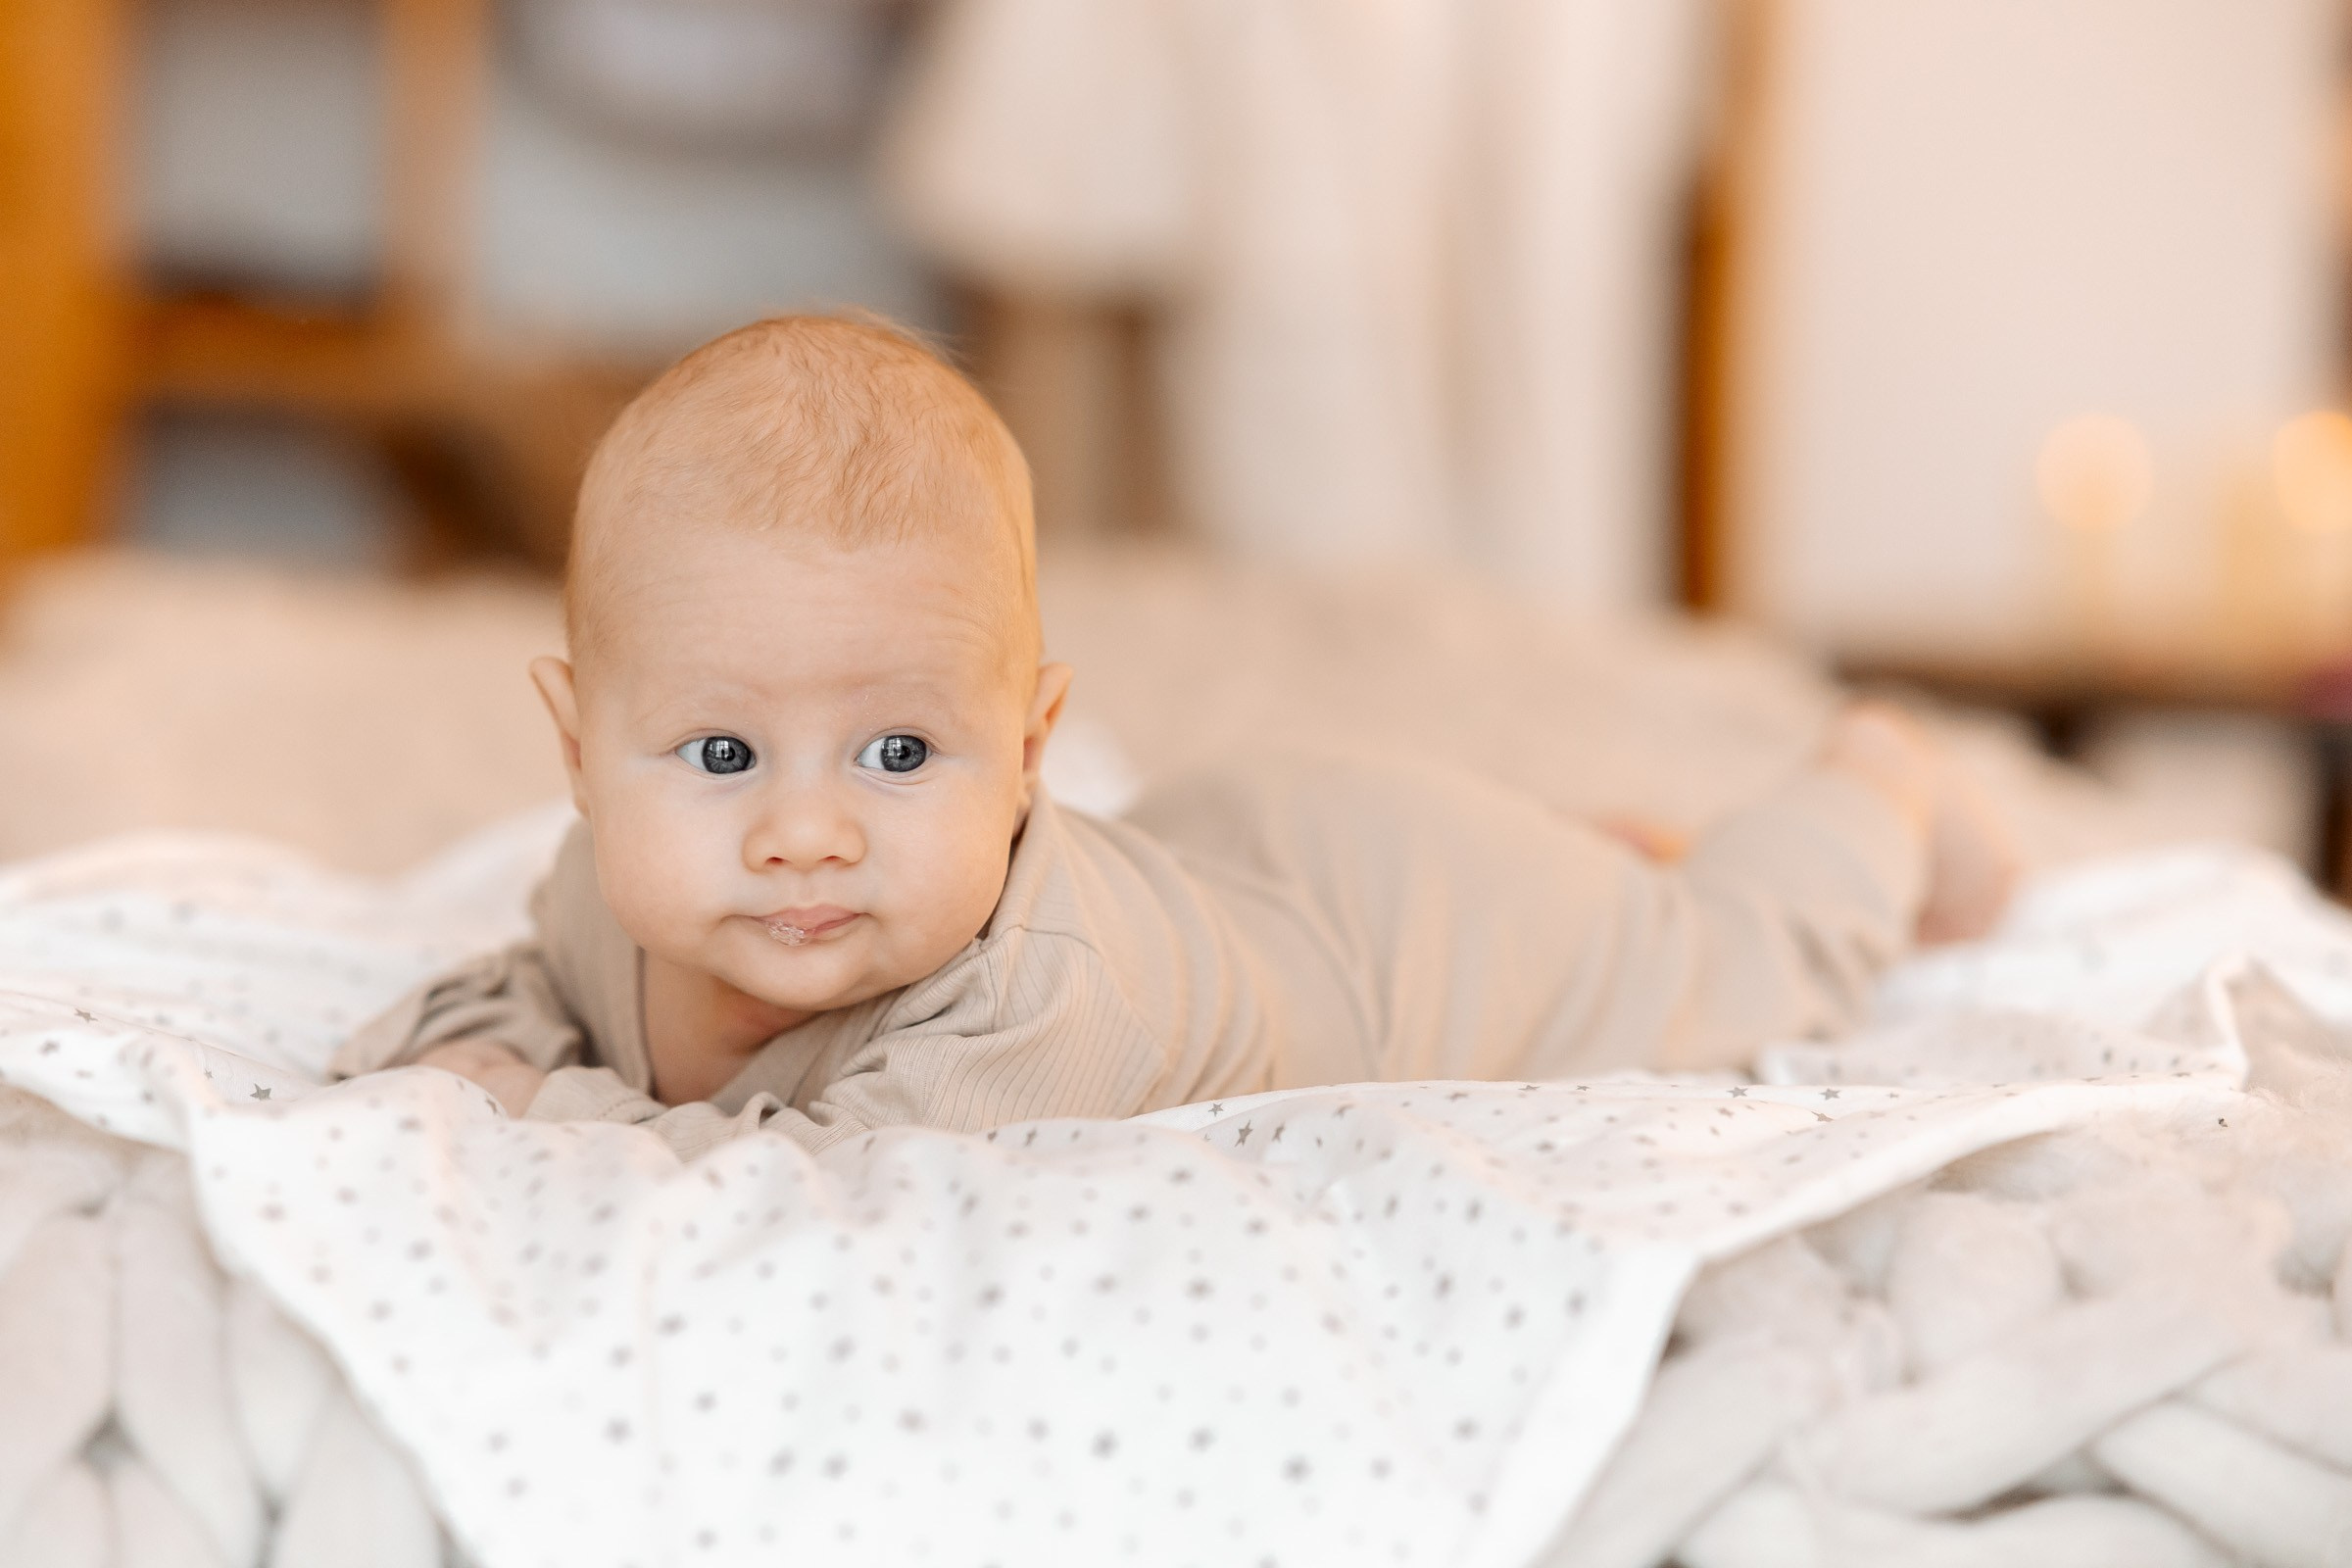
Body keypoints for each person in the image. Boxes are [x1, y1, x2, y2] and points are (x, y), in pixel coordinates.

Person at [333, 315, 2016, 1157]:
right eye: (719, 759)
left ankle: (1876, 781)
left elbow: (790, 1220)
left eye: (902, 755)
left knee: (1721, 956)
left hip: (1394, 942)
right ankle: (1595, 846)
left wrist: (533, 1118)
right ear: (575, 752)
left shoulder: (1032, 1012)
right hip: (1240, 866)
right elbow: (521, 989)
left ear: (1034, 740)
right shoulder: (600, 888)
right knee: (1569, 882)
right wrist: (483, 1047)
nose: (806, 835)